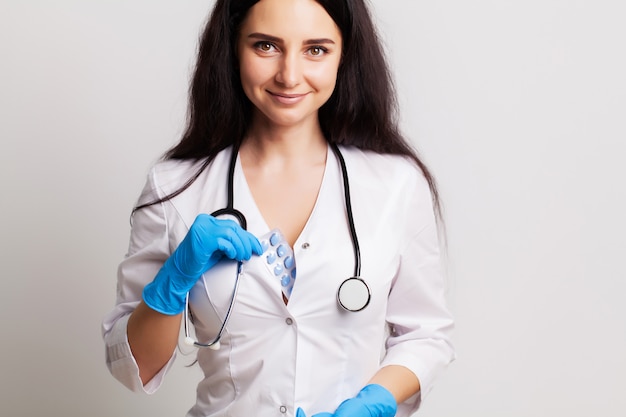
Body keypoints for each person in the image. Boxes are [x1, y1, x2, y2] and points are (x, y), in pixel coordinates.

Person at [101, 0, 455, 416]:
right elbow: (133, 367)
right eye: (266, 46)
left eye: (316, 49)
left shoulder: (396, 184)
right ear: (232, 49)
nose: (289, 75)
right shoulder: (176, 187)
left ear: (346, 54)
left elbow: (426, 334)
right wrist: (171, 282)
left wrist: (372, 401)